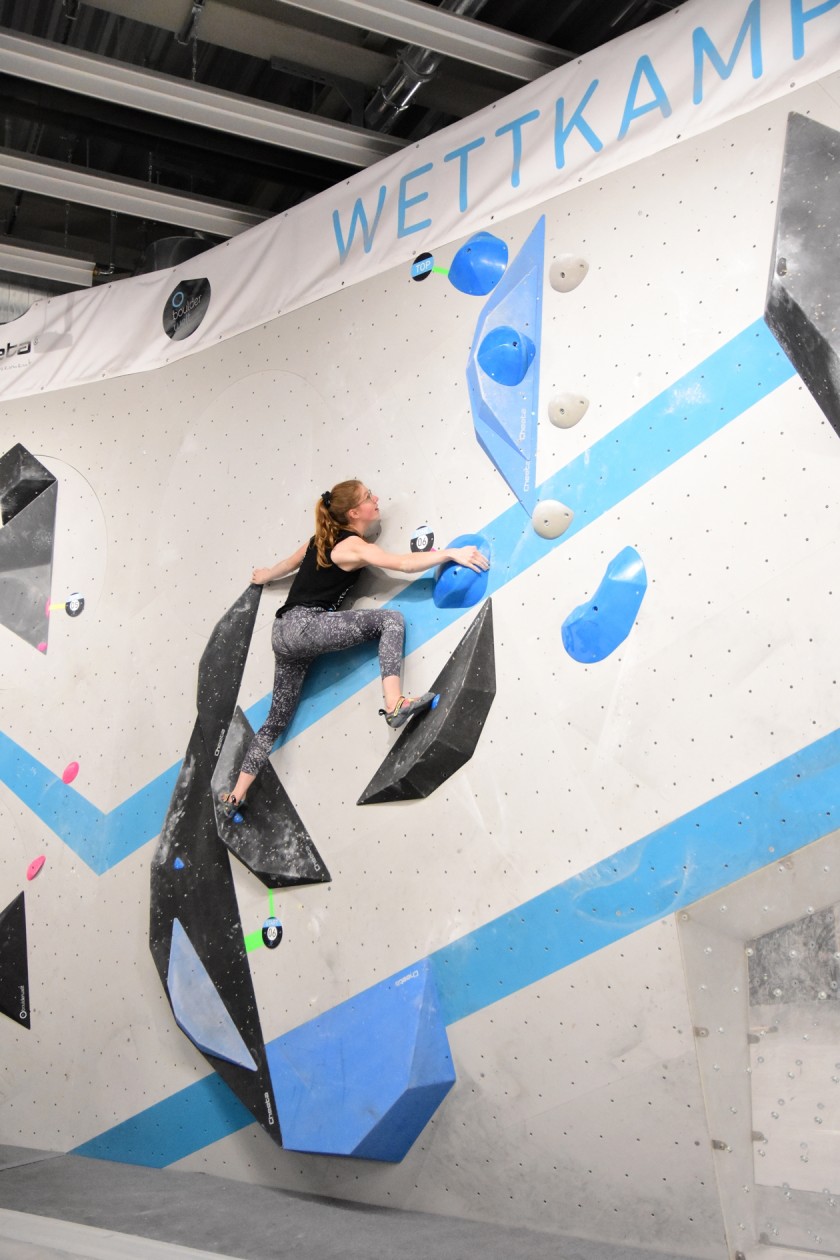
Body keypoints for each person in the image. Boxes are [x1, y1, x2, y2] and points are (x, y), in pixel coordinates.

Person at [220, 479, 489, 814]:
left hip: (284, 634)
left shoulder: (320, 539)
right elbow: (402, 564)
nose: (376, 499)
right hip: (306, 626)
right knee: (389, 621)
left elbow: (289, 564)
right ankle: (394, 703)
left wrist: (266, 576)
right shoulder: (350, 547)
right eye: (367, 497)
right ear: (353, 512)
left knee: (276, 719)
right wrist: (450, 553)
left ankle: (235, 795)